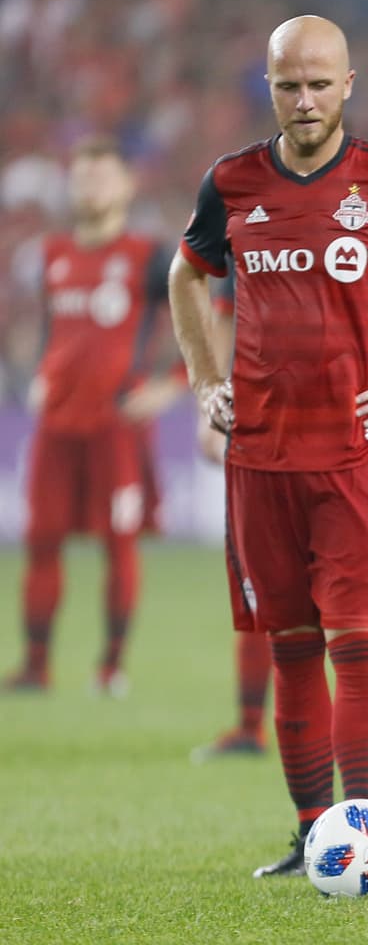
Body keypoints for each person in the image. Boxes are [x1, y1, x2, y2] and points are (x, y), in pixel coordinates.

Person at [167, 15, 368, 877]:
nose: (304, 100)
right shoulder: (232, 182)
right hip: (259, 459)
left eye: (319, 84)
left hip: (351, 456)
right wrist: (206, 380)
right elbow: (185, 274)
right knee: (289, 645)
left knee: (357, 641)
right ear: (268, 88)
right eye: (288, 85)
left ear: (349, 84)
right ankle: (317, 836)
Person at [190, 274, 368, 763]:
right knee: (275, 607)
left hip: (349, 455)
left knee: (350, 619)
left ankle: (357, 799)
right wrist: (211, 399)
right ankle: (250, 727)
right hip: (264, 446)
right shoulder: (246, 213)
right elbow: (223, 313)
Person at [4, 136, 185, 697]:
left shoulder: (151, 258)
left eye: (103, 177)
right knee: (41, 540)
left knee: (119, 543)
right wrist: (37, 372)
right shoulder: (51, 254)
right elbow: (54, 330)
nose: (91, 188)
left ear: (128, 186)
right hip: (57, 422)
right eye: (83, 178)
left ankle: (111, 666)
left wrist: (173, 385)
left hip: (116, 425)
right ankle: (35, 666)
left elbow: (204, 320)